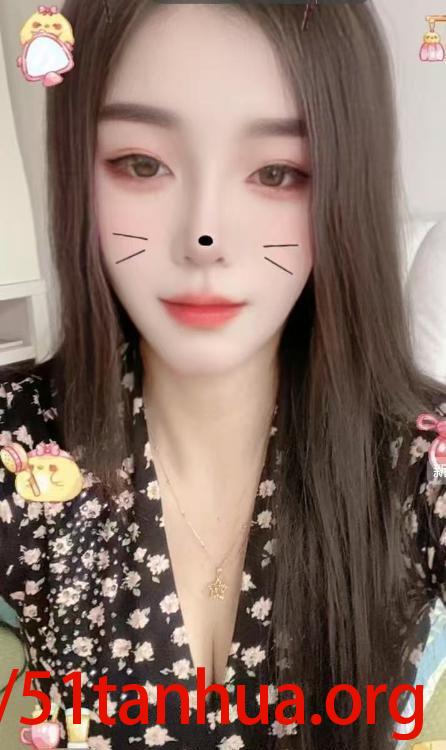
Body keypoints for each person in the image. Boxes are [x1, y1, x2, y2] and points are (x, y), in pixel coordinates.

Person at [0, 1, 445, 749]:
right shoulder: (22, 447)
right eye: (143, 164)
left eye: (276, 172)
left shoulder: (420, 457)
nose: (204, 236)